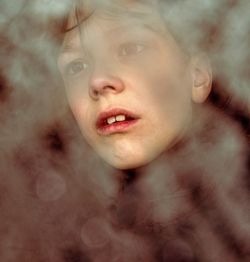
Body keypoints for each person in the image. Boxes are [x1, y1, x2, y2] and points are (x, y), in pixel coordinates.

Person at [56, 0, 250, 261]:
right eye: (76, 66)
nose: (98, 81)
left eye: (130, 48)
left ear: (198, 76)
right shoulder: (60, 236)